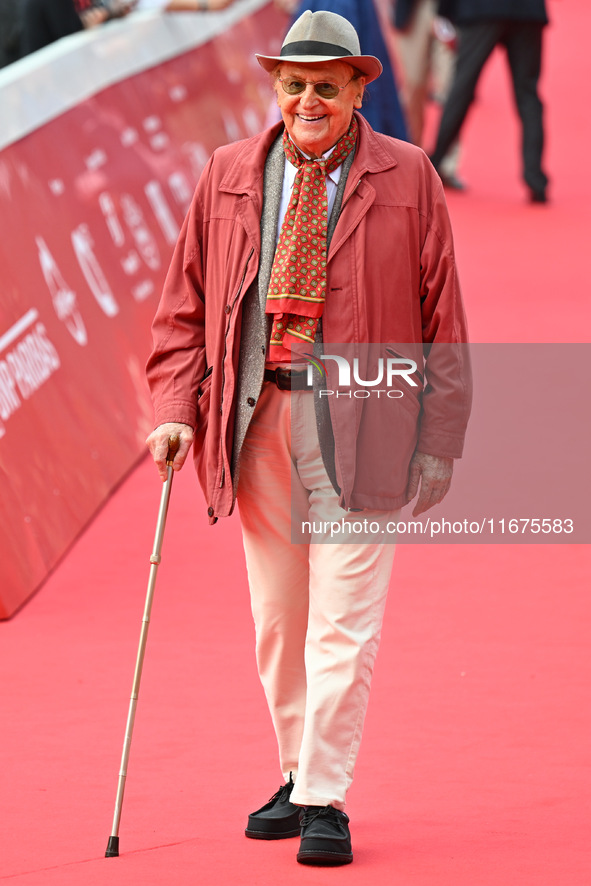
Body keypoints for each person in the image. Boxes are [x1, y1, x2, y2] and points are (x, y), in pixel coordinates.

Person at [146, 9, 471, 866]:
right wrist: (177, 407)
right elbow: (184, 304)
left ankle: (324, 795)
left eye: (325, 86)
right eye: (293, 85)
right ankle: (295, 771)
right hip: (258, 422)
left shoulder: (408, 176)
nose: (307, 100)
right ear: (276, 88)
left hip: (365, 421)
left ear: (360, 87)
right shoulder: (227, 174)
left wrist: (440, 438)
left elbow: (445, 317)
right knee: (280, 621)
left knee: (344, 624)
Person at [430, 0, 549, 202]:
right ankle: (535, 179)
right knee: (528, 95)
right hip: (528, 10)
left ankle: (434, 164)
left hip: (481, 9)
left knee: (462, 88)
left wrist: (444, 12)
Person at [393, 0, 464, 187]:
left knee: (452, 88)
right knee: (413, 85)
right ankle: (410, 156)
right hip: (413, 10)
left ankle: (447, 164)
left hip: (449, 12)